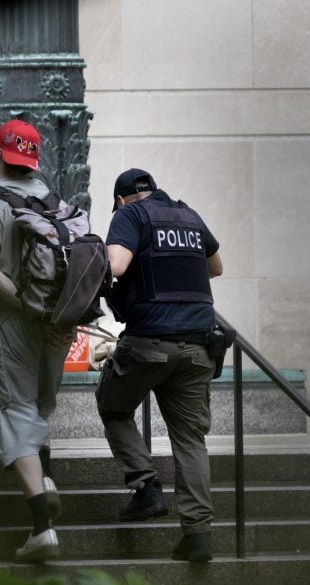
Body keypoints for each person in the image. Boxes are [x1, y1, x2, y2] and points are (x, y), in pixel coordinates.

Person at [0, 119, 74, 563]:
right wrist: (58, 317)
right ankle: (44, 479)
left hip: (16, 320)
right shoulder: (54, 200)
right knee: (41, 407)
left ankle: (42, 529)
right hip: (59, 325)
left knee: (16, 412)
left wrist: (31, 310)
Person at [96, 168, 224, 563]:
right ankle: (197, 536)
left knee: (114, 405)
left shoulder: (129, 215)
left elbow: (115, 265)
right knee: (190, 440)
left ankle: (146, 486)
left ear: (120, 200)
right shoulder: (188, 215)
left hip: (149, 341)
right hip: (200, 345)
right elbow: (215, 267)